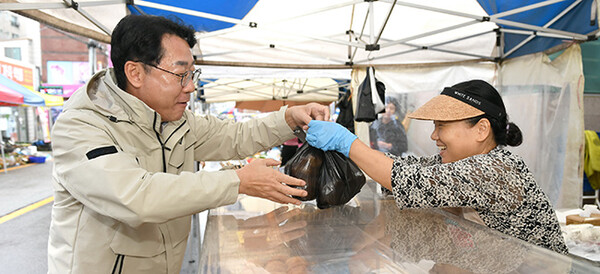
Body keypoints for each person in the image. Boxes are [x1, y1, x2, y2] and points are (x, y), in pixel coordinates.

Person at [48, 15, 329, 274]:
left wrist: (289, 117)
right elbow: (136, 196)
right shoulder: (82, 126)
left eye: (192, 74)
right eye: (181, 74)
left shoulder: (175, 120)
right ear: (135, 73)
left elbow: (236, 135)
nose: (190, 87)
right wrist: (237, 182)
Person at [305, 79, 569, 254]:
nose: (434, 136)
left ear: (481, 129)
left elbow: (404, 180)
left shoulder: (497, 169)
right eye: (434, 126)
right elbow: (405, 169)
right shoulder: (457, 163)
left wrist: (345, 141)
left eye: (441, 126)